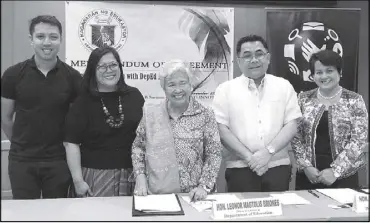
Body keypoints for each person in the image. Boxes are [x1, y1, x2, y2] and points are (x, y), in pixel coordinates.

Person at [1, 15, 82, 199]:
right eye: (40, 36)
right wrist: (21, 144)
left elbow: (75, 124)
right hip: (22, 161)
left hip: (59, 161)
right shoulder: (13, 75)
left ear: (60, 39)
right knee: (24, 214)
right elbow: (5, 118)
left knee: (58, 214)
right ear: (31, 40)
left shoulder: (73, 77)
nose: (47, 42)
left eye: (53, 37)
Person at [212, 35, 302, 192]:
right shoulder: (225, 90)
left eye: (259, 54)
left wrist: (268, 152)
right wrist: (250, 158)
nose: (254, 60)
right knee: (241, 216)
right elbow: (221, 129)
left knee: (280, 215)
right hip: (239, 167)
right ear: (238, 61)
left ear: (268, 57)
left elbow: (292, 124)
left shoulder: (284, 86)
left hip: (277, 166)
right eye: (247, 55)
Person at [132, 60, 222, 201]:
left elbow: (214, 153)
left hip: (195, 196)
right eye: (171, 84)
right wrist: (140, 176)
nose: (178, 89)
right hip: (158, 194)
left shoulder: (205, 113)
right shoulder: (151, 113)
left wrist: (203, 187)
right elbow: (138, 147)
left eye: (182, 83)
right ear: (164, 88)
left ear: (190, 85)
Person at [63, 46, 144, 197]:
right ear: (93, 70)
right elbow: (70, 143)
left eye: (113, 65)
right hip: (95, 176)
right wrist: (78, 181)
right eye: (102, 66)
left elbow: (144, 138)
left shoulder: (134, 96)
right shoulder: (82, 102)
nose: (109, 70)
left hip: (133, 174)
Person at [291, 50, 368, 190]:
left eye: (329, 71)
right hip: (309, 175)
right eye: (319, 72)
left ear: (339, 72)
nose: (324, 76)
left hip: (344, 176)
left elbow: (359, 140)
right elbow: (295, 136)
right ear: (313, 75)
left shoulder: (354, 100)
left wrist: (336, 170)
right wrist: (306, 166)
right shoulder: (303, 99)